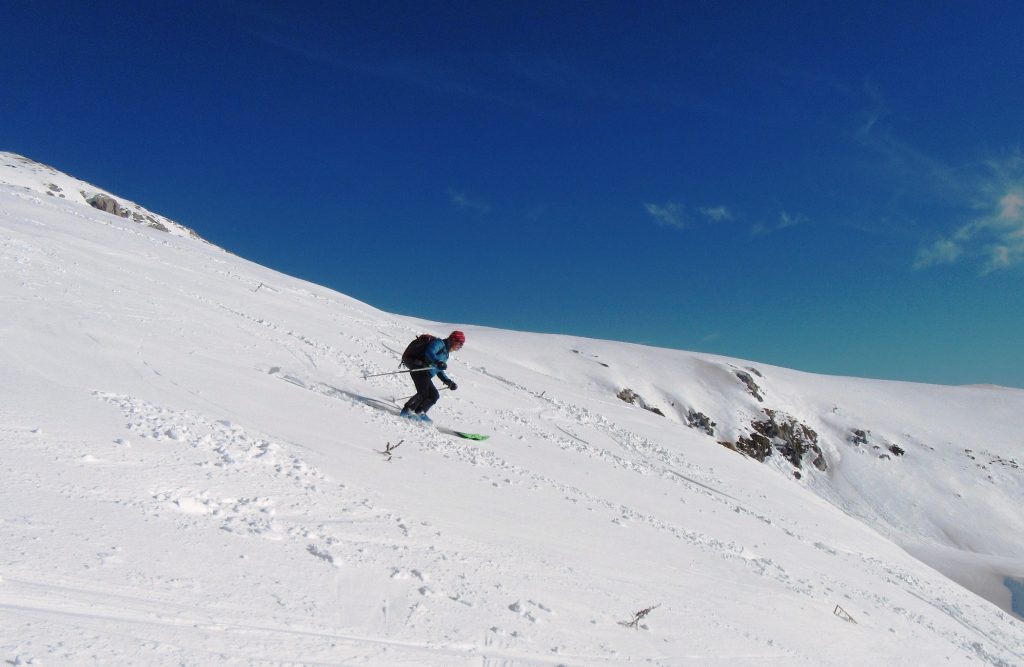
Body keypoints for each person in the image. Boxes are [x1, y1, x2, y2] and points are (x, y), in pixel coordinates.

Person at [400, 330, 464, 422]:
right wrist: (437, 361)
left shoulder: (446, 354)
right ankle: (407, 410)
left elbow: (439, 370)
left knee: (434, 395)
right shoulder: (439, 343)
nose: (458, 348)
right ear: (454, 340)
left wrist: (448, 382)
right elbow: (429, 352)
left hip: (426, 373)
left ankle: (420, 412)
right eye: (459, 345)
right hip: (419, 367)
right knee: (423, 392)